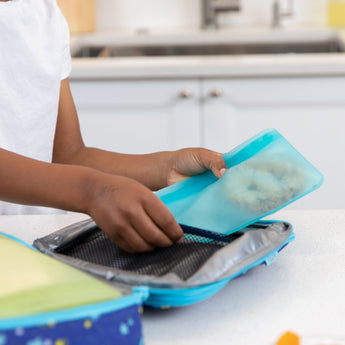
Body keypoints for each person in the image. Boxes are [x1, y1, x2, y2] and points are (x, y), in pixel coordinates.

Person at [0, 0, 227, 253]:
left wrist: (166, 168)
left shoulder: (45, 14)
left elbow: (68, 155)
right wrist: (90, 189)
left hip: (35, 244)